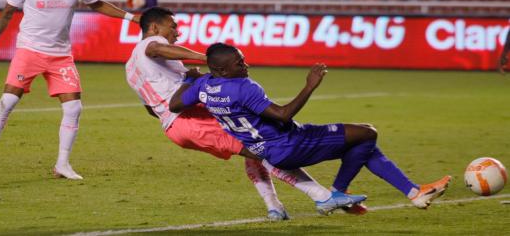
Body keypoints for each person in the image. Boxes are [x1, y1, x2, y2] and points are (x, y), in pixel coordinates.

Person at [125, 7, 367, 220]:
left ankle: (275, 208)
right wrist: (209, 59)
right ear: (154, 27)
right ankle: (323, 196)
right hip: (189, 120)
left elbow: (150, 108)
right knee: (265, 148)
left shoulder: (130, 68)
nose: (177, 33)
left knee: (254, 140)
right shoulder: (150, 45)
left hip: (177, 126)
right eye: (173, 27)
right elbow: (157, 49)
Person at [170, 43, 452, 210]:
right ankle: (339, 192)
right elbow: (281, 114)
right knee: (367, 132)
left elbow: (174, 105)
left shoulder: (205, 85)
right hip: (290, 143)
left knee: (362, 141)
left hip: (269, 149)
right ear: (222, 69)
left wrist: (191, 79)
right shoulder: (244, 86)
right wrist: (309, 86)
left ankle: (414, 193)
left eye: (242, 59)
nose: (245, 65)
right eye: (238, 63)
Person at [0, 0, 141, 180]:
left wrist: (133, 19)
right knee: (8, 101)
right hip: (29, 50)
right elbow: (8, 11)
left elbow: (98, 4)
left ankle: (62, 164)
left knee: (74, 107)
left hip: (61, 55)